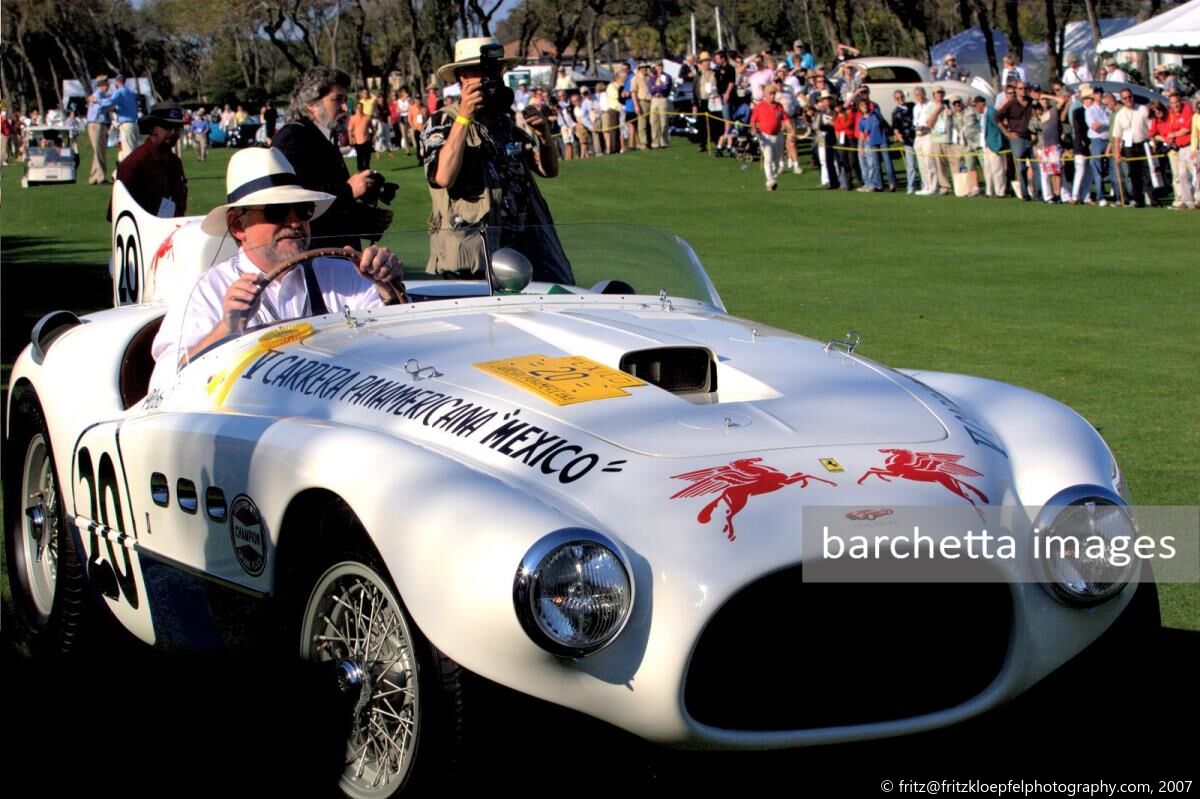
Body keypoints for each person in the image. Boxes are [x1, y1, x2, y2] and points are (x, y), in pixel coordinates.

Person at [149, 148, 406, 391]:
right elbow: (162, 386)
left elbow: (402, 351)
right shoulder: (206, 291)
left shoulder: (346, 274)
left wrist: (387, 287)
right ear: (237, 225)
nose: (295, 222)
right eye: (277, 211)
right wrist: (226, 330)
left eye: (303, 210)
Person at [420, 36, 573, 284]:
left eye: (494, 71)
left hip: (523, 254)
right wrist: (464, 119)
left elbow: (548, 170)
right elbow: (443, 176)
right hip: (472, 259)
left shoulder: (505, 123)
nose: (489, 79)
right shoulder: (442, 122)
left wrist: (544, 135)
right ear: (462, 77)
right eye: (478, 72)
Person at [273, 66, 392, 250]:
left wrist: (365, 210)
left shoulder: (322, 135)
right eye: (337, 100)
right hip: (314, 258)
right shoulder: (293, 137)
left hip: (334, 254)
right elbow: (294, 203)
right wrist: (348, 190)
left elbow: (326, 201)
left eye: (346, 100)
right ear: (311, 104)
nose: (345, 107)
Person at [109, 102, 188, 221]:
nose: (173, 132)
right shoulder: (134, 163)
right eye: (167, 127)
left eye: (177, 128)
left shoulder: (175, 162)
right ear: (152, 128)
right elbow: (115, 213)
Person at [1110, 87, 1152, 207]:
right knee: (1133, 174)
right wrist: (1117, 152)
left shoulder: (1142, 109)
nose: (1128, 99)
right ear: (1121, 100)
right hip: (1129, 147)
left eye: (1130, 97)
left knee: (1147, 172)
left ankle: (1152, 198)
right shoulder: (1120, 115)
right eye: (1125, 98)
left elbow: (1151, 127)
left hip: (1143, 143)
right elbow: (1117, 136)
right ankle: (1138, 199)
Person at [749, 83, 795, 191]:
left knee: (777, 161)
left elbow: (785, 119)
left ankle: (772, 179)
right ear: (765, 94)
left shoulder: (779, 106)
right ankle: (770, 180)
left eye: (774, 93)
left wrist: (791, 129)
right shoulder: (759, 106)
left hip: (778, 135)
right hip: (764, 135)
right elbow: (753, 121)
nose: (773, 95)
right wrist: (754, 129)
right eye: (770, 93)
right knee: (768, 157)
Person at [996, 80, 1035, 199]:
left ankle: (1037, 192)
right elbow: (997, 118)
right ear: (1017, 90)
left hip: (1033, 138)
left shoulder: (1032, 103)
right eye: (1020, 89)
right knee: (1021, 167)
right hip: (1018, 138)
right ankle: (1025, 193)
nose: (1023, 91)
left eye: (1025, 88)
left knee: (1036, 167)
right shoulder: (1011, 104)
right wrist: (1007, 133)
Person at [100, 74, 140, 164]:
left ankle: (129, 175)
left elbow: (110, 101)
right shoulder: (131, 93)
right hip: (134, 124)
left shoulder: (119, 92)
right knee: (134, 151)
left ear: (117, 82)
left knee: (128, 153)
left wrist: (98, 101)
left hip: (126, 125)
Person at [85, 74, 112, 184]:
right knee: (99, 151)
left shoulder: (101, 96)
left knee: (98, 151)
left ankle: (94, 177)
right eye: (106, 83)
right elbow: (100, 109)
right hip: (97, 124)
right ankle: (100, 177)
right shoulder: (98, 95)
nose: (108, 86)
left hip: (100, 124)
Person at [977, 95, 1006, 198]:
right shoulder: (982, 115)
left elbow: (999, 127)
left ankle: (1000, 192)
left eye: (976, 105)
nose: (976, 108)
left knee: (997, 169)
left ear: (981, 104)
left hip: (994, 144)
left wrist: (999, 142)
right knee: (987, 169)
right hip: (986, 144)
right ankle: (989, 191)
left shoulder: (991, 112)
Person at [648, 61, 673, 149]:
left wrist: (657, 87)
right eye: (658, 66)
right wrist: (658, 87)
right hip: (654, 100)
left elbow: (665, 88)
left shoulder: (667, 77)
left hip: (662, 99)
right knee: (654, 121)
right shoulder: (652, 78)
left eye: (661, 66)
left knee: (664, 121)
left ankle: (664, 141)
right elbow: (651, 90)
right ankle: (655, 142)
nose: (659, 68)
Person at [348, 101, 374, 171]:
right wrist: (351, 139)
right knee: (360, 156)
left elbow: (372, 128)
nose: (360, 109)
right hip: (357, 140)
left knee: (367, 156)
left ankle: (367, 169)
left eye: (361, 107)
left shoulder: (367, 117)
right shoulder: (353, 118)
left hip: (366, 139)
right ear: (356, 108)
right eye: (358, 107)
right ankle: (360, 170)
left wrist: (373, 137)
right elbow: (350, 130)